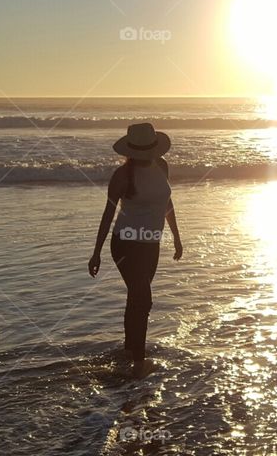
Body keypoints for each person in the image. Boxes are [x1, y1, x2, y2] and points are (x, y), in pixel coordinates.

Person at [88, 122, 182, 377]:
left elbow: (166, 201)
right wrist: (96, 252)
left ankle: (131, 349)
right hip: (125, 244)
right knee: (143, 298)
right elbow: (108, 214)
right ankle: (139, 364)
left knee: (136, 298)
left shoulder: (162, 166)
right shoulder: (122, 176)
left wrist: (176, 235)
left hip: (151, 243)